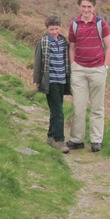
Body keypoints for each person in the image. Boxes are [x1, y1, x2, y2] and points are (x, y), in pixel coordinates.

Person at [67, 0, 110, 152]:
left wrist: (105, 67)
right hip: (79, 70)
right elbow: (71, 47)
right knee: (78, 107)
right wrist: (73, 65)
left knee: (97, 107)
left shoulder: (101, 23)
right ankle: (76, 140)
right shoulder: (74, 24)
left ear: (94, 7)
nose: (86, 10)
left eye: (89, 7)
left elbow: (109, 47)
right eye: (83, 6)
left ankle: (96, 140)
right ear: (79, 6)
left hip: (97, 70)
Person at [34, 16, 72, 153]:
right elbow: (38, 63)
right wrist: (38, 81)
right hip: (50, 82)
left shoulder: (63, 42)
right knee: (59, 112)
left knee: (56, 110)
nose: (54, 31)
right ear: (47, 29)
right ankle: (59, 140)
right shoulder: (43, 42)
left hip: (62, 80)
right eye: (51, 29)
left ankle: (50, 137)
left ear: (60, 27)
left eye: (56, 28)